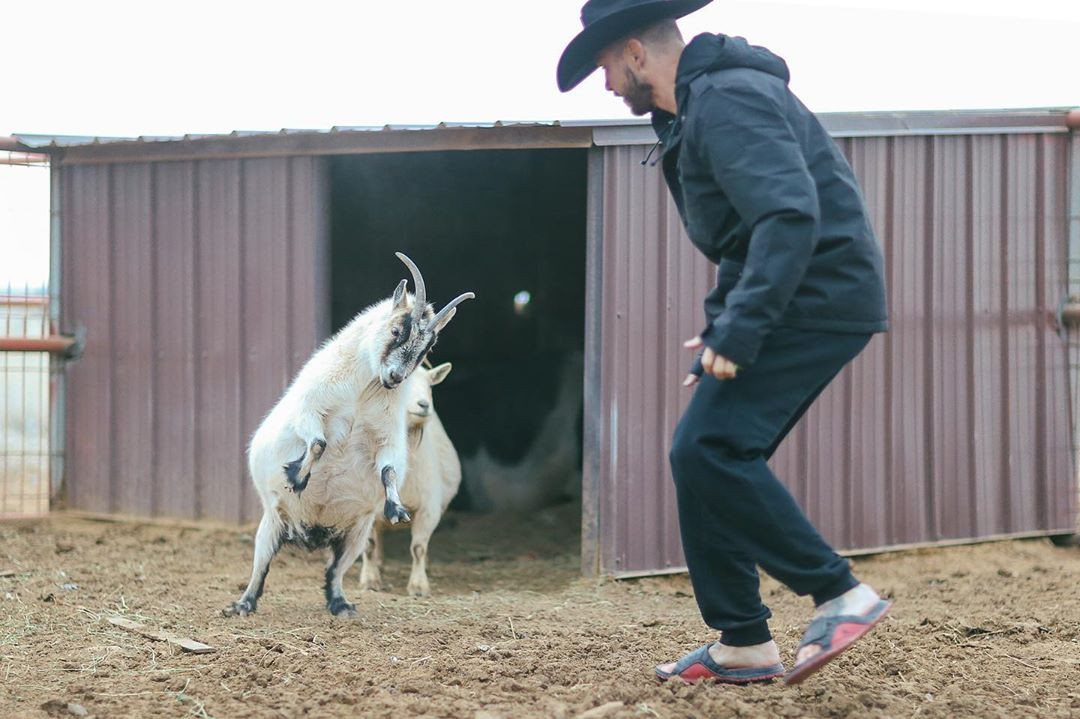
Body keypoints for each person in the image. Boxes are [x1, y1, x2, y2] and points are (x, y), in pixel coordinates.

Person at [558, 0, 892, 685]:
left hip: (819, 294)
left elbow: (790, 216)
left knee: (710, 446)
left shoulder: (728, 100)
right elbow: (747, 237)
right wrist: (722, 324)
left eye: (604, 67)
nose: (606, 84)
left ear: (635, 53)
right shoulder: (693, 112)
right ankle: (743, 640)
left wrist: (742, 329)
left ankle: (839, 592)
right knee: (702, 454)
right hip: (798, 293)